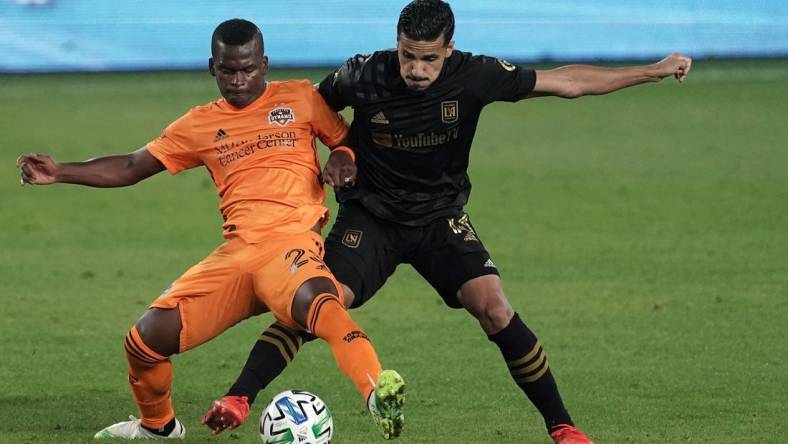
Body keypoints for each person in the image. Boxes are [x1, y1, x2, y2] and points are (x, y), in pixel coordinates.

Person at [201, 2, 693, 443]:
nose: (416, 69)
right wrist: (342, 152)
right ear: (396, 45)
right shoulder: (361, 74)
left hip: (440, 218)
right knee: (316, 305)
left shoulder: (475, 75)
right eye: (407, 55)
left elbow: (568, 83)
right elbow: (311, 112)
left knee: (496, 308)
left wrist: (651, 71)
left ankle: (562, 427)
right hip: (371, 218)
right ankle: (239, 397)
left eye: (429, 58)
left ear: (449, 50)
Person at [16, 18, 406, 441]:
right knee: (145, 341)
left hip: (289, 247)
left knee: (321, 303)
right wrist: (60, 172)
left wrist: (344, 155)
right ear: (211, 68)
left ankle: (375, 392)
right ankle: (158, 427)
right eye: (228, 71)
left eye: (248, 69)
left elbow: (347, 140)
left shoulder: (300, 98)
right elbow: (131, 166)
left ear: (265, 64)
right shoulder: (199, 124)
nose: (239, 80)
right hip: (237, 257)